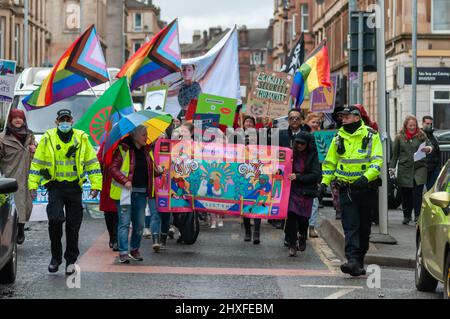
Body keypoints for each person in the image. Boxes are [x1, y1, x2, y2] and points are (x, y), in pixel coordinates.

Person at [28, 109, 102, 274]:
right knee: (55, 220)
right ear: (56, 122)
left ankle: (71, 260)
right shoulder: (48, 138)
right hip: (55, 187)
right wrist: (32, 185)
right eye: (62, 120)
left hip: (75, 188)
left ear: (72, 121)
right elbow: (37, 163)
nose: (65, 123)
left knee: (73, 226)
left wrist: (96, 185)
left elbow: (92, 163)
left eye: (67, 119)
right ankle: (56, 258)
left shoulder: (81, 138)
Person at [318, 105, 383, 276]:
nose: (343, 119)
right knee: (350, 226)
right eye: (341, 117)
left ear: (356, 117)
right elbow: (330, 162)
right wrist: (324, 183)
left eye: (346, 116)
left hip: (366, 189)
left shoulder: (371, 135)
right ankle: (352, 260)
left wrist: (366, 177)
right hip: (345, 189)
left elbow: (377, 161)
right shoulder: (338, 136)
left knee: (364, 228)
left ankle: (359, 260)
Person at [110, 125, 163, 263]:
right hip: (125, 193)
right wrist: (125, 180)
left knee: (139, 224)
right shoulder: (123, 149)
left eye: (146, 134)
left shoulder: (147, 150)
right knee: (124, 223)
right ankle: (123, 252)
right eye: (143, 134)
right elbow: (113, 169)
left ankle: (134, 249)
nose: (146, 137)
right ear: (135, 136)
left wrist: (159, 171)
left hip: (141, 192)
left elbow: (152, 170)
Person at [0, 109, 36, 244]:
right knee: (15, 205)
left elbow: (37, 155)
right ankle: (17, 230)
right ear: (10, 120)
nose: (17, 120)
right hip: (11, 176)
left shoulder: (30, 135)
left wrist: (35, 150)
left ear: (23, 120)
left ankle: (20, 227)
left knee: (28, 206)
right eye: (14, 118)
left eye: (20, 118)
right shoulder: (3, 138)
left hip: (28, 176)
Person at [389, 115, 432, 225]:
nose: (412, 127)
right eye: (410, 125)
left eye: (414, 125)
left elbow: (430, 145)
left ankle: (417, 216)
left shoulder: (421, 135)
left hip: (419, 168)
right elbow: (395, 155)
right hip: (405, 168)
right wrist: (392, 169)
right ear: (406, 126)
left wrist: (428, 149)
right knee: (406, 193)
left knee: (418, 193)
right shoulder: (399, 137)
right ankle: (407, 215)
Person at [286, 132, 321, 257]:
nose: (299, 145)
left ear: (308, 144)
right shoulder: (290, 154)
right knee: (291, 216)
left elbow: (316, 174)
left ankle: (302, 235)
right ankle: (291, 244)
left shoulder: (313, 156)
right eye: (297, 143)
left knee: (303, 219)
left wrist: (299, 176)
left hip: (306, 191)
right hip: (292, 189)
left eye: (303, 143)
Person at [303, 112, 322, 238]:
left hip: (317, 173)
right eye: (313, 122)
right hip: (304, 173)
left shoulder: (322, 137)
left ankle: (311, 227)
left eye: (317, 122)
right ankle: (302, 226)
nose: (315, 124)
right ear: (307, 122)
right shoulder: (303, 136)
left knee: (314, 203)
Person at [97, 141, 118, 251]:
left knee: (119, 211)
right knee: (109, 212)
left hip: (120, 181)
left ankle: (117, 238)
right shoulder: (106, 144)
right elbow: (99, 158)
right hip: (107, 180)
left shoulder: (126, 143)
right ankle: (112, 237)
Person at [422, 116, 441, 190]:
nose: (429, 125)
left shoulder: (434, 137)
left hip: (433, 171)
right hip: (423, 170)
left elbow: (438, 154)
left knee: (430, 192)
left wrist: (438, 169)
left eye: (431, 124)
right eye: (427, 123)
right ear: (423, 123)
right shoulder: (419, 136)